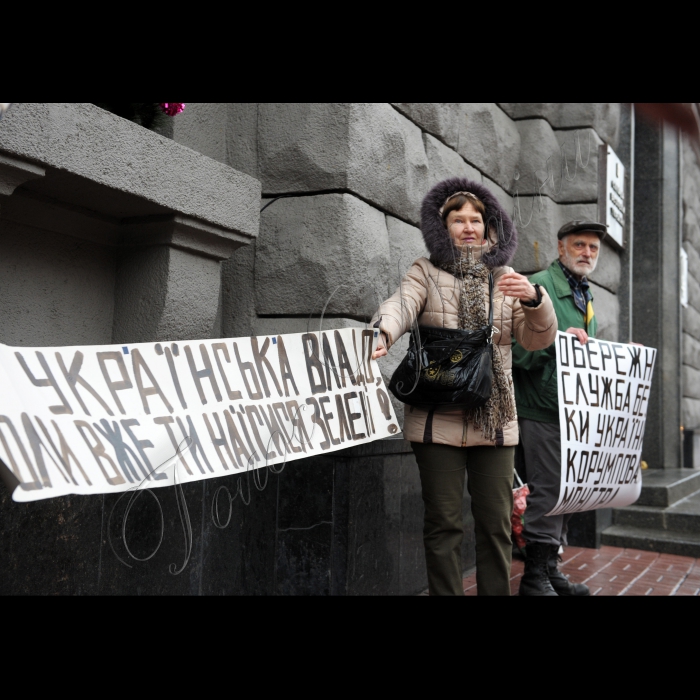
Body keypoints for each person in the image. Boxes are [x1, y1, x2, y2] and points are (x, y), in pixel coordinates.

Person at [372, 178, 557, 596]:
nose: (469, 227)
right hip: (435, 417)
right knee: (444, 525)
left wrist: (534, 300)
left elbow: (537, 340)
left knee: (495, 526)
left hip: (495, 423)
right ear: (444, 227)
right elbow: (402, 303)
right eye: (459, 220)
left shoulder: (508, 278)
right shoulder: (425, 271)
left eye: (478, 220)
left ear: (492, 229)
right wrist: (383, 331)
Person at [511, 220, 607, 596]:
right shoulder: (541, 285)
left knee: (565, 492)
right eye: (579, 245)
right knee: (548, 491)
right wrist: (557, 342)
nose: (586, 253)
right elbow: (519, 352)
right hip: (542, 409)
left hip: (573, 413)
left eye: (593, 248)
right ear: (560, 247)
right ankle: (534, 578)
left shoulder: (584, 293)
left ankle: (550, 571)